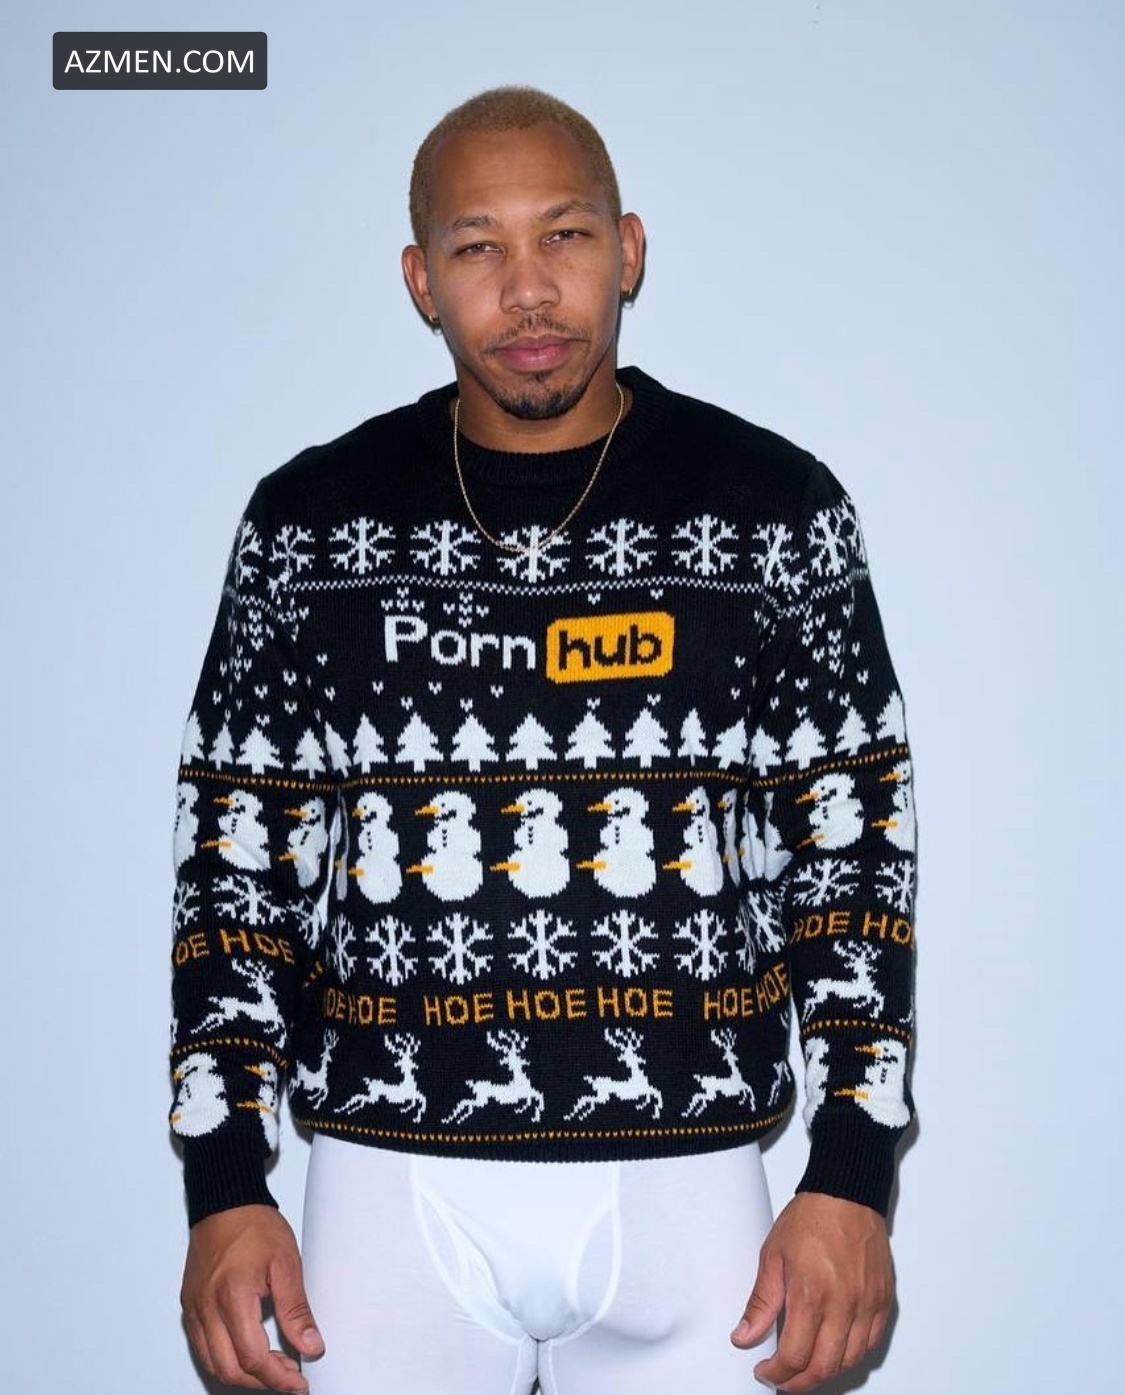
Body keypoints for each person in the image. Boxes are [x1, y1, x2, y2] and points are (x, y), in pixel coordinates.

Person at [171, 86, 916, 1395]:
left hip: (691, 1193)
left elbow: (853, 852)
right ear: (422, 279)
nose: (527, 290)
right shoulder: (311, 525)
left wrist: (852, 1171)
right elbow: (236, 867)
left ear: (627, 250)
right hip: (386, 1192)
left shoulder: (771, 512)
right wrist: (224, 1183)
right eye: (479, 247)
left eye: (563, 236)